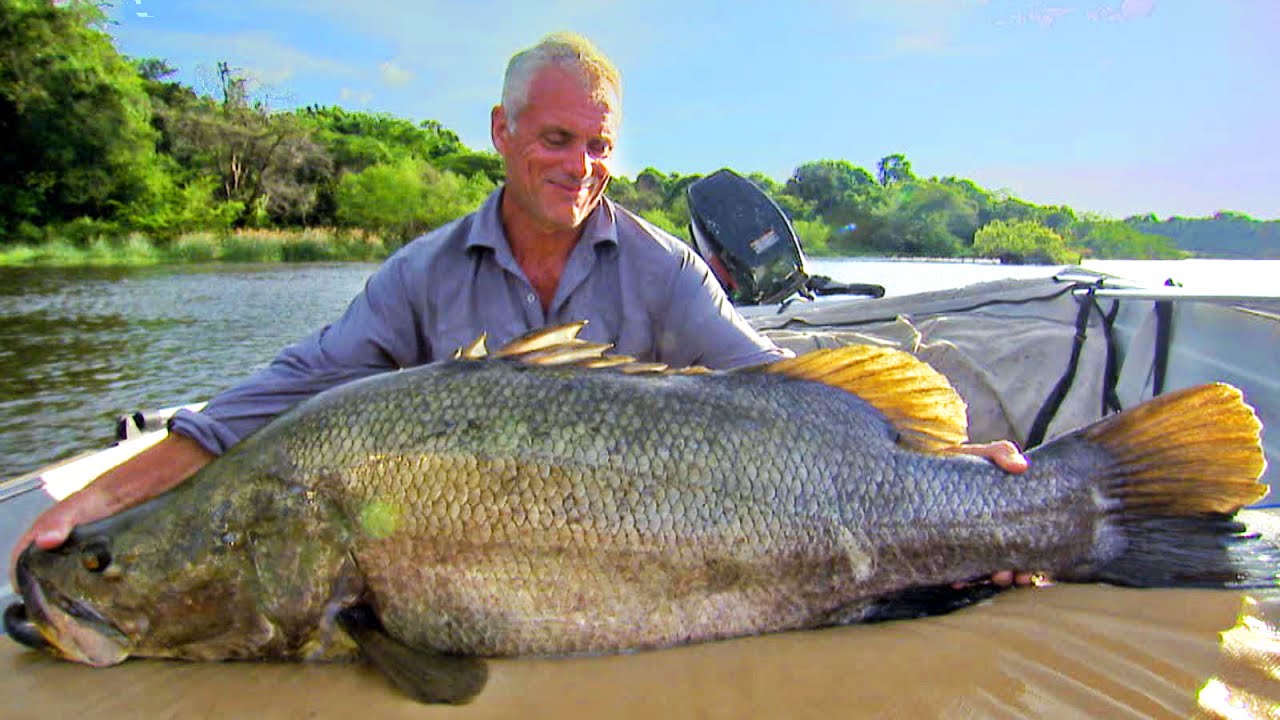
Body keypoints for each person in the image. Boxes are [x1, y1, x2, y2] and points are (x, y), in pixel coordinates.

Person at [11, 32, 1032, 587]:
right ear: (501, 132)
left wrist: (953, 470)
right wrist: (99, 504)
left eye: (596, 146)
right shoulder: (418, 274)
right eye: (554, 140)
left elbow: (773, 380)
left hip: (661, 542)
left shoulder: (664, 269)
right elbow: (285, 393)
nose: (579, 168)